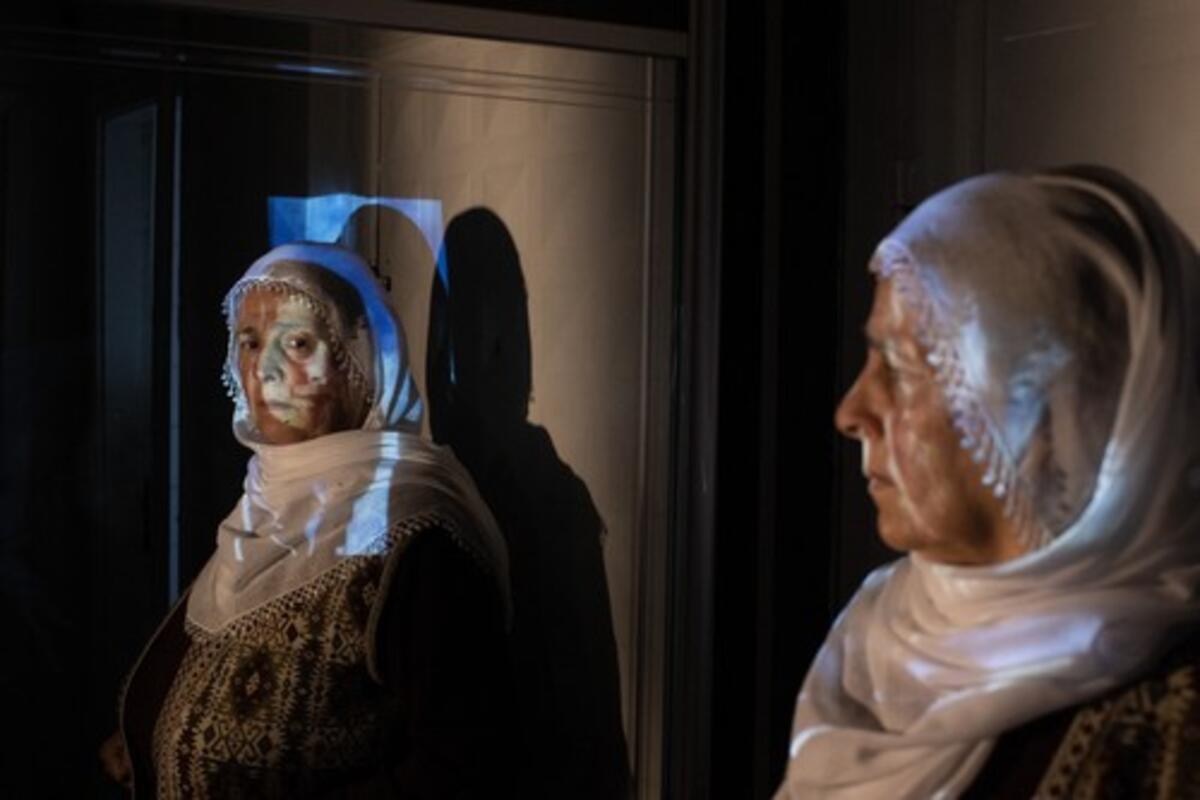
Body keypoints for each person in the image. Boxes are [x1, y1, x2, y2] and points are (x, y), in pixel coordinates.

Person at [775, 166, 1200, 798]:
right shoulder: (872, 643)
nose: (851, 411)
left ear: (1048, 417)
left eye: (900, 367)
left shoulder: (1174, 719)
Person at [99, 242, 514, 797]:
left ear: (358, 363)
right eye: (249, 342)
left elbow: (460, 768)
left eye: (296, 343)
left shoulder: (415, 533)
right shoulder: (260, 509)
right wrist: (146, 741)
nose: (264, 368)